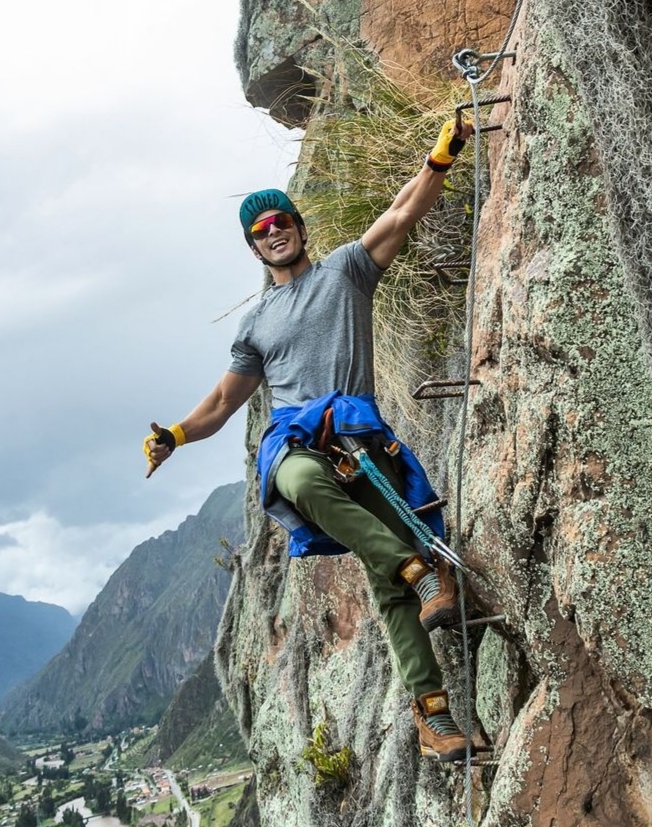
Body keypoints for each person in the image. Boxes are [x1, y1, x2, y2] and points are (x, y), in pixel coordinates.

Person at [144, 116, 483, 760]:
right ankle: (418, 566)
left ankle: (433, 719)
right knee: (298, 481)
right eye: (260, 231)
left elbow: (401, 214)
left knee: (390, 592)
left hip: (360, 438)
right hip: (296, 443)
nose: (274, 233)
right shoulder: (256, 325)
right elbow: (222, 402)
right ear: (253, 248)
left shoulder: (346, 273)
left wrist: (439, 158)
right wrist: (176, 435)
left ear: (299, 226)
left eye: (281, 222)